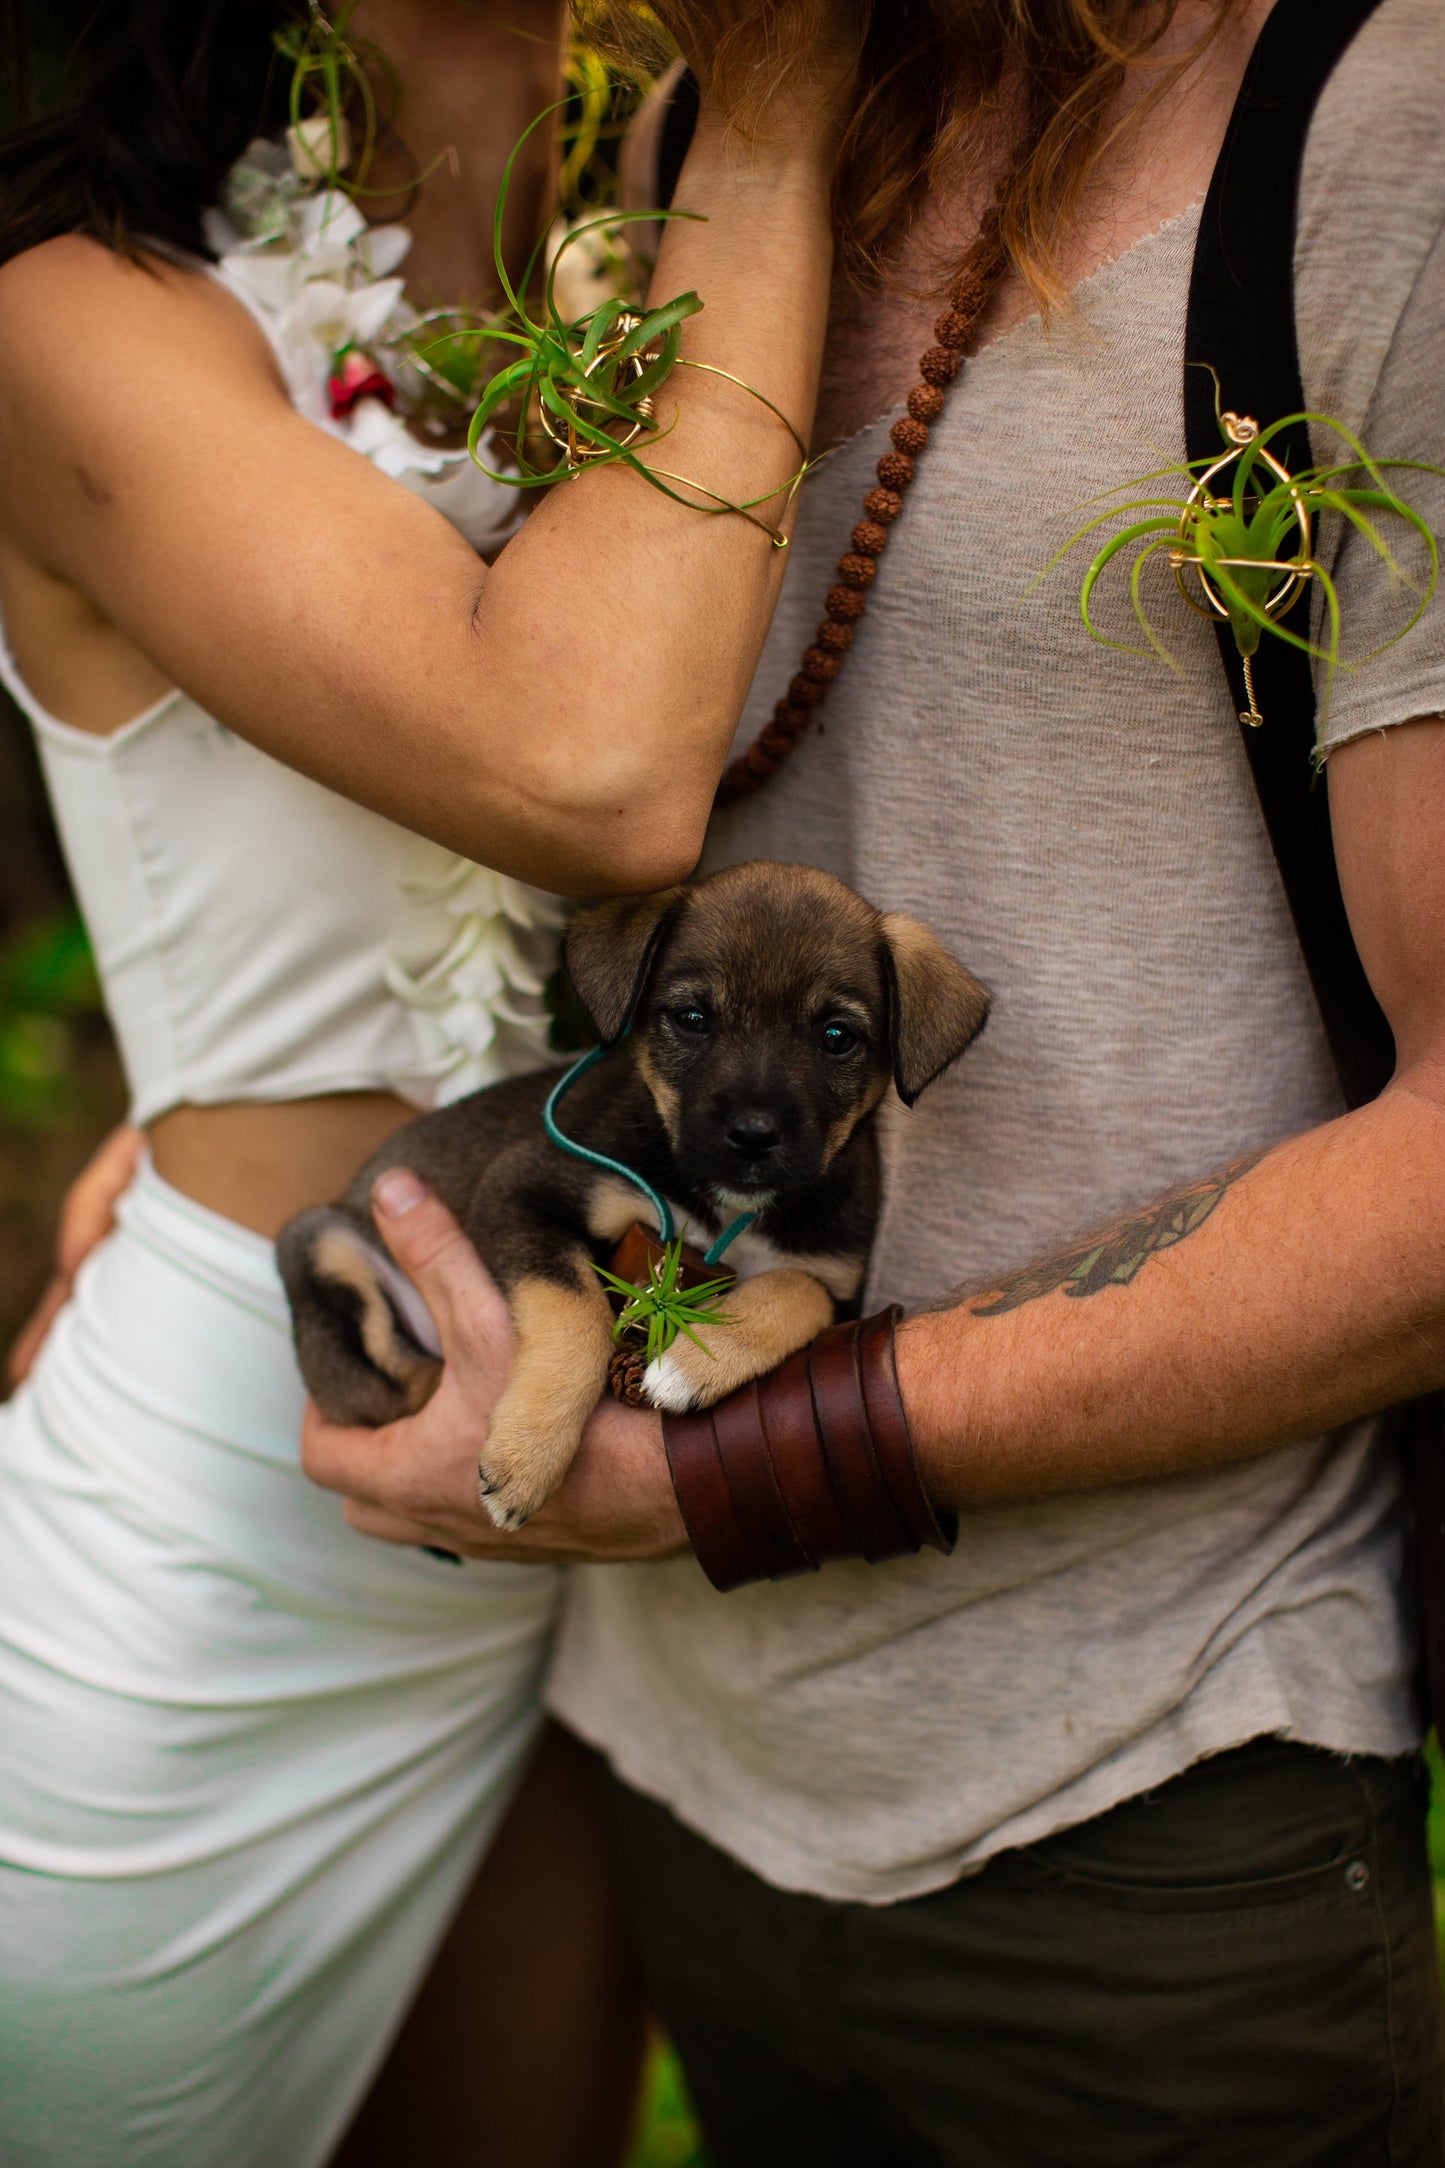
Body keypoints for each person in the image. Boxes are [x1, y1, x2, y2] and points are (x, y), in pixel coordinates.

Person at [303, 0, 1445, 2161]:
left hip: (1139, 1810)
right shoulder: (699, 125)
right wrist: (219, 1156)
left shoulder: (1383, 120)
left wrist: (727, 1468)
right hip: (673, 1773)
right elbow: (564, 804)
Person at [0, 1, 853, 2160]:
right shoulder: (68, 315)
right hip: (234, 1507)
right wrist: (785, 93)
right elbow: (584, 760)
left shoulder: (631, 241)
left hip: (576, 1546)